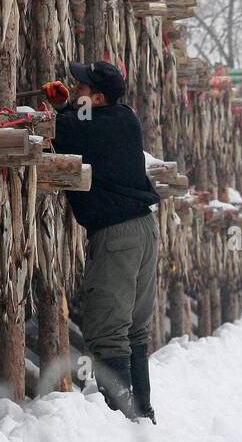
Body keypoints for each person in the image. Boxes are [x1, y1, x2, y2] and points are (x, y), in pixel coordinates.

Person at [48, 61, 160, 422]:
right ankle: (142, 414)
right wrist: (67, 102)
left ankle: (124, 423)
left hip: (117, 236)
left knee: (108, 331)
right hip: (143, 230)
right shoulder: (123, 117)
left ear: (97, 98)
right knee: (133, 328)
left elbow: (59, 129)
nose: (74, 89)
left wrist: (56, 108)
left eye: (80, 89)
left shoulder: (95, 126)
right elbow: (79, 122)